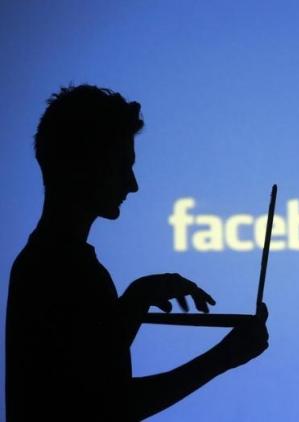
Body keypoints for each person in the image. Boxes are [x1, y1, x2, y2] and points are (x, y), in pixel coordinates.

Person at [5, 85, 269, 421]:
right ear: (84, 165)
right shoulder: (67, 271)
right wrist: (223, 357)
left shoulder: (42, 262)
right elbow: (109, 404)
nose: (132, 184)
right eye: (122, 165)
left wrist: (136, 299)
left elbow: (92, 371)